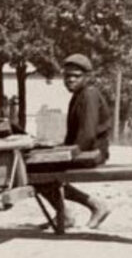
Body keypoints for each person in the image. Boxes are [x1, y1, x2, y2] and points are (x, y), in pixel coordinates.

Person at [43, 53, 112, 230]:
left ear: (87, 77)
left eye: (76, 76)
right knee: (39, 167)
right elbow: (74, 136)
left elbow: (87, 135)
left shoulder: (89, 94)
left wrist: (64, 154)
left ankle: (93, 206)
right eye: (67, 76)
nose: (71, 80)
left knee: (37, 171)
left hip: (93, 152)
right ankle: (67, 213)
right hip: (86, 151)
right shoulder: (79, 95)